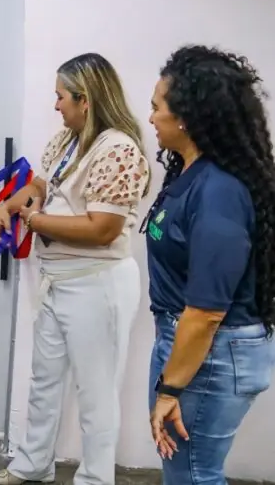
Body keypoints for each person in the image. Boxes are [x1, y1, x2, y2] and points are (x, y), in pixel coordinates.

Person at [0, 53, 151, 485]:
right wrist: (15, 201)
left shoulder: (117, 149)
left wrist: (34, 221)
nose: (55, 105)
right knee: (44, 381)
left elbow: (102, 229)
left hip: (96, 283)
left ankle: (95, 479)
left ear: (86, 99)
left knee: (97, 394)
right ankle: (33, 465)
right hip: (57, 281)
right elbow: (44, 183)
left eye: (61, 96)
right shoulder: (69, 139)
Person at [143, 45, 275, 483]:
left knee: (194, 475)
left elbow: (206, 312)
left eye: (156, 107)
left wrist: (170, 389)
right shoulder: (191, 173)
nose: (151, 118)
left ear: (186, 117)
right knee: (188, 472)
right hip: (191, 345)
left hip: (209, 352)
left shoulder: (219, 191)